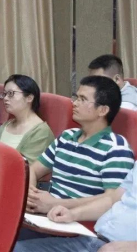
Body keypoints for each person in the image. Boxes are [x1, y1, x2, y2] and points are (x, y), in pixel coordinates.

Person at [20, 76, 134, 240]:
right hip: (46, 217)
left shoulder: (116, 149)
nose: (74, 103)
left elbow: (112, 200)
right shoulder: (67, 136)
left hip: (78, 227)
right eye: (76, 97)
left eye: (82, 99)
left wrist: (56, 204)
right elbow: (34, 169)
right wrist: (32, 195)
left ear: (102, 110)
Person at [15, 162, 137, 252]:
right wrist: (73, 214)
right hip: (93, 240)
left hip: (119, 246)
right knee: (16, 248)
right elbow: (112, 200)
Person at [0, 74, 54, 163]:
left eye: (11, 93)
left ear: (29, 98)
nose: (5, 98)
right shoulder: (6, 125)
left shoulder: (41, 132)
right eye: (4, 94)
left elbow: (27, 168)